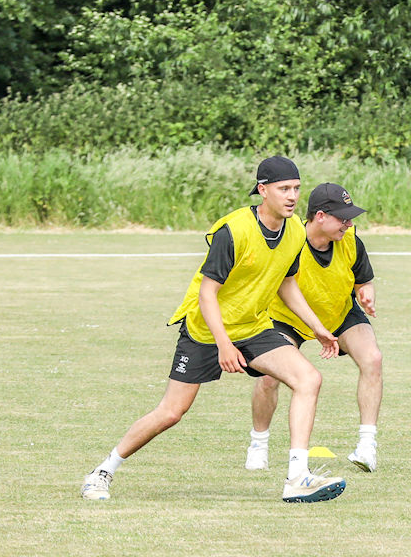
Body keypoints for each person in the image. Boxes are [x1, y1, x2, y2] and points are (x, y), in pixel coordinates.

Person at [80, 156, 347, 504]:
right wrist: (223, 345)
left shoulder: (295, 229)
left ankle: (297, 478)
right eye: (284, 189)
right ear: (262, 190)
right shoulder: (234, 230)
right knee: (171, 412)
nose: (292, 196)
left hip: (253, 326)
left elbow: (287, 284)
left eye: (296, 188)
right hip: (207, 330)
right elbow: (208, 294)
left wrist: (318, 328)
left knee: (308, 379)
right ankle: (103, 471)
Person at [245, 182, 383, 474]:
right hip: (288, 315)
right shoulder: (290, 240)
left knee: (373, 358)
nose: (349, 224)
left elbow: (363, 278)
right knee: (271, 378)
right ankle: (258, 444)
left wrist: (366, 292)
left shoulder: (351, 241)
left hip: (337, 312)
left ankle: (367, 446)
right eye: (343, 218)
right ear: (320, 216)